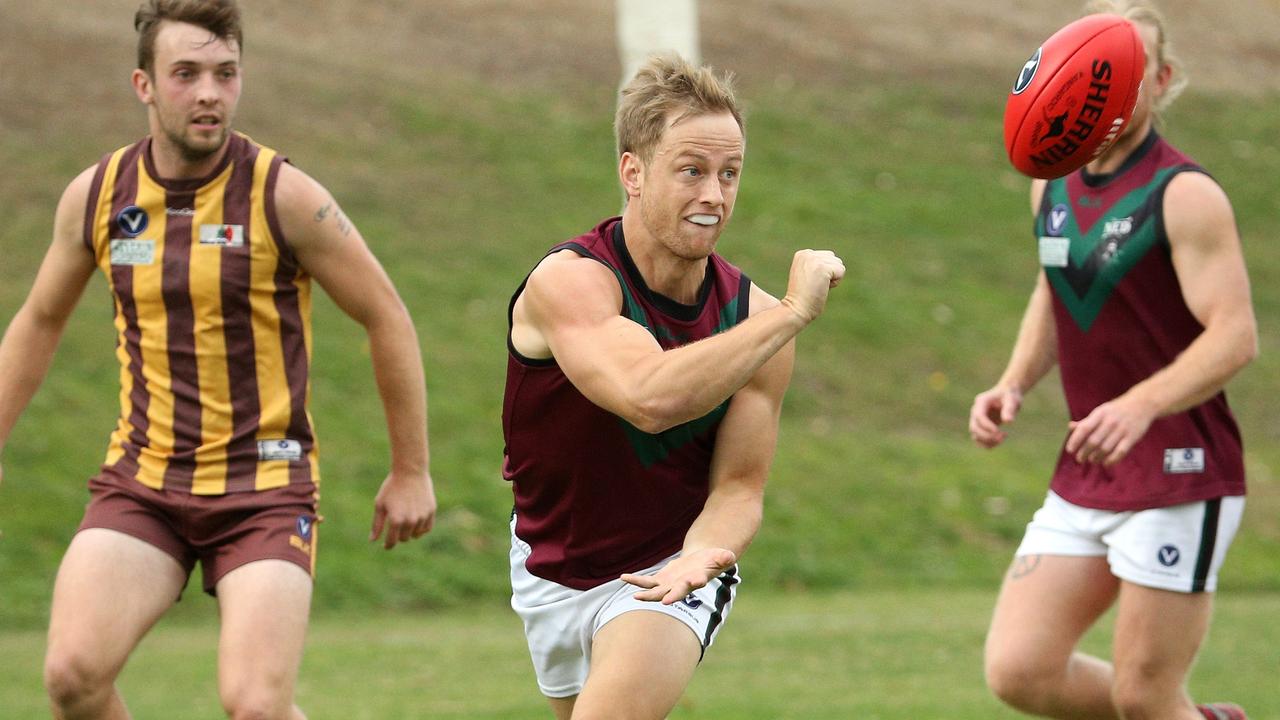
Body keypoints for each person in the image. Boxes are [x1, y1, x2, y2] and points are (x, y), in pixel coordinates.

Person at [0, 2, 438, 718]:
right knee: (72, 677)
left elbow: (385, 312)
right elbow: (40, 319)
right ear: (143, 85)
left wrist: (411, 468)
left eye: (225, 74)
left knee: (256, 705)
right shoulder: (99, 196)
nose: (209, 92)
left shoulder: (285, 196)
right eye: (187, 74)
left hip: (264, 485)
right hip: (144, 480)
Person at [503, 54, 844, 719]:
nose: (714, 197)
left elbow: (740, 487)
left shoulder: (756, 319)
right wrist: (793, 314)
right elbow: (648, 397)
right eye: (691, 171)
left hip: (669, 567)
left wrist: (700, 555)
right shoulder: (571, 283)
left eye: (729, 174)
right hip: (549, 563)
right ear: (632, 172)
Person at [970, 2, 1256, 719]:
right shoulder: (1052, 184)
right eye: (1102, 68)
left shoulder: (1184, 194)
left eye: (1132, 68)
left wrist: (1141, 402)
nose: (1115, 81)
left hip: (1180, 471)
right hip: (1090, 467)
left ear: (1158, 80)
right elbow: (1055, 287)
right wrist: (1013, 382)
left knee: (1144, 697)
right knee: (1020, 670)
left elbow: (1234, 336)